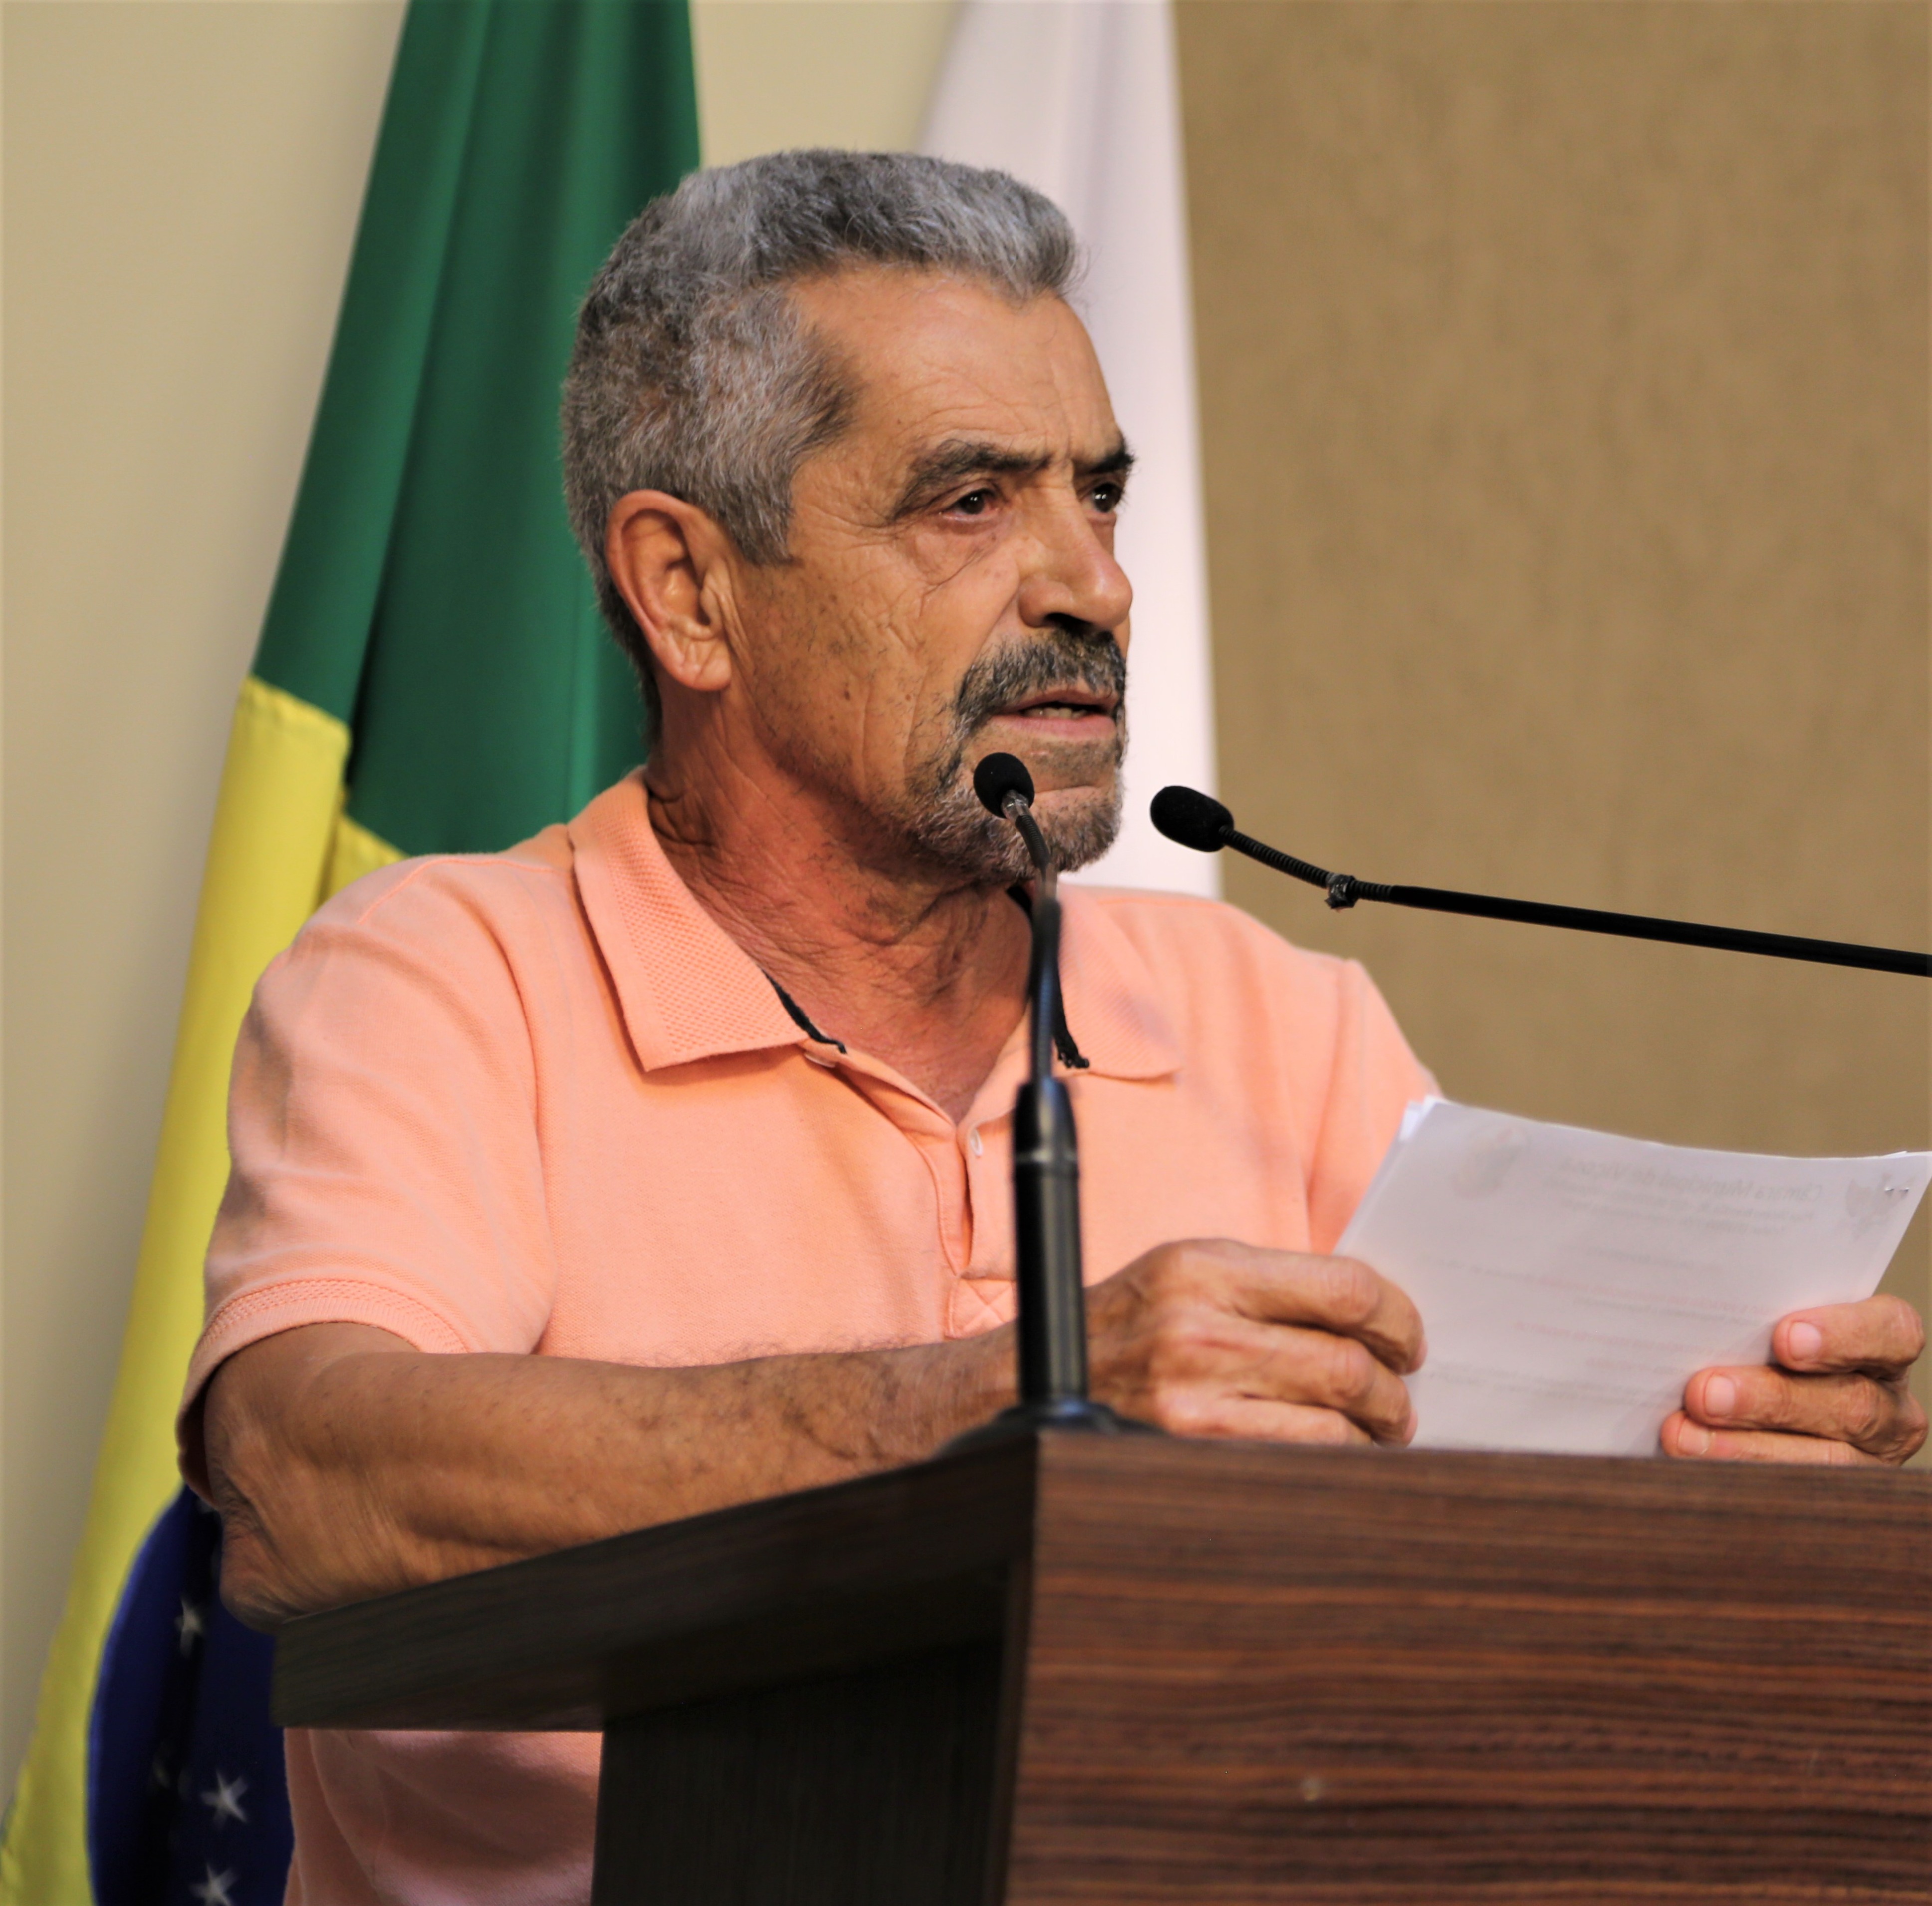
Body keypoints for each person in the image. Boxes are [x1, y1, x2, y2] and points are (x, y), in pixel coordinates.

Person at [182, 152, 1926, 1905]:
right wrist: (1008, 1409)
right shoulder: (442, 979)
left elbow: (1455, 1596)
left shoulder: (1277, 1016)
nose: (1094, 582)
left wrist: (1721, 1496)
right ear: (691, 592)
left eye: (1098, 496)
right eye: (970, 502)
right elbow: (300, 1476)